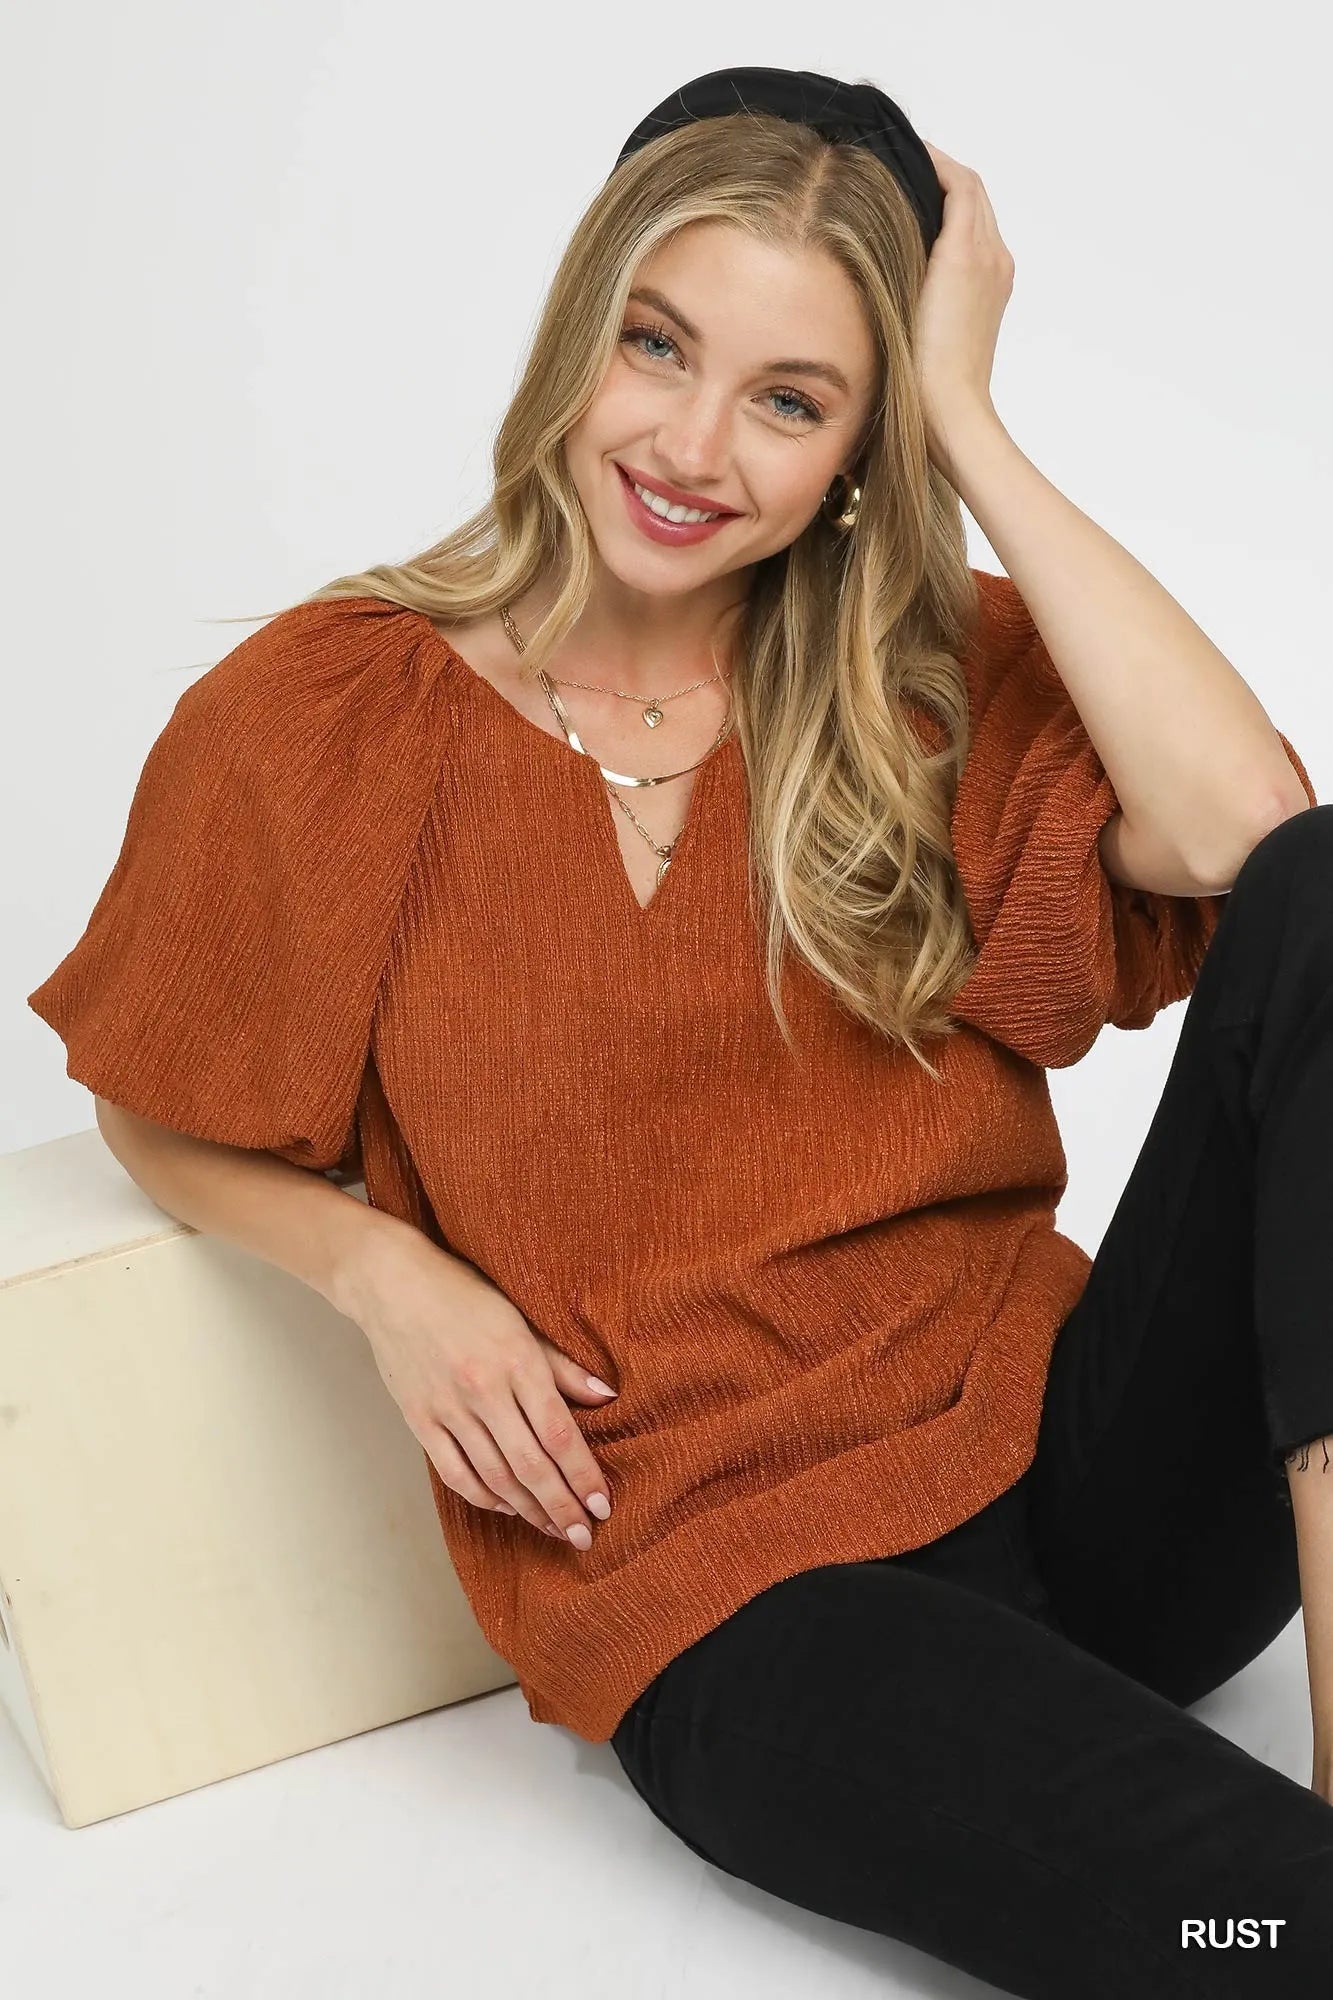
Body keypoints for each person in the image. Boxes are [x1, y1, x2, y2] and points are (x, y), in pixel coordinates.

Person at [27, 61, 1333, 1997]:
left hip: (1072, 1467)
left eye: (793, 399)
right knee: (1260, 1921)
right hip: (736, 1593)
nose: (693, 443)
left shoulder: (917, 680)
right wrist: (388, 1275)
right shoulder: (324, 721)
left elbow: (1255, 844)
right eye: (659, 346)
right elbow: (152, 1098)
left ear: (856, 451)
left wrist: (968, 412)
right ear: (582, 326)